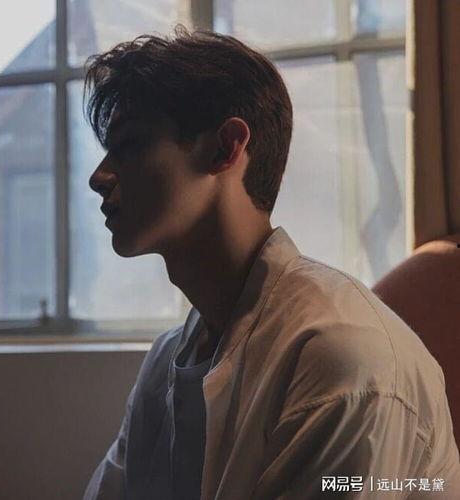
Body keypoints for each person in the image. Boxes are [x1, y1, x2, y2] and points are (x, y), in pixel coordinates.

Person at [83, 25, 460, 500]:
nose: (99, 177)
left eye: (130, 145)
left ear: (226, 147)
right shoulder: (167, 361)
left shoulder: (340, 356)